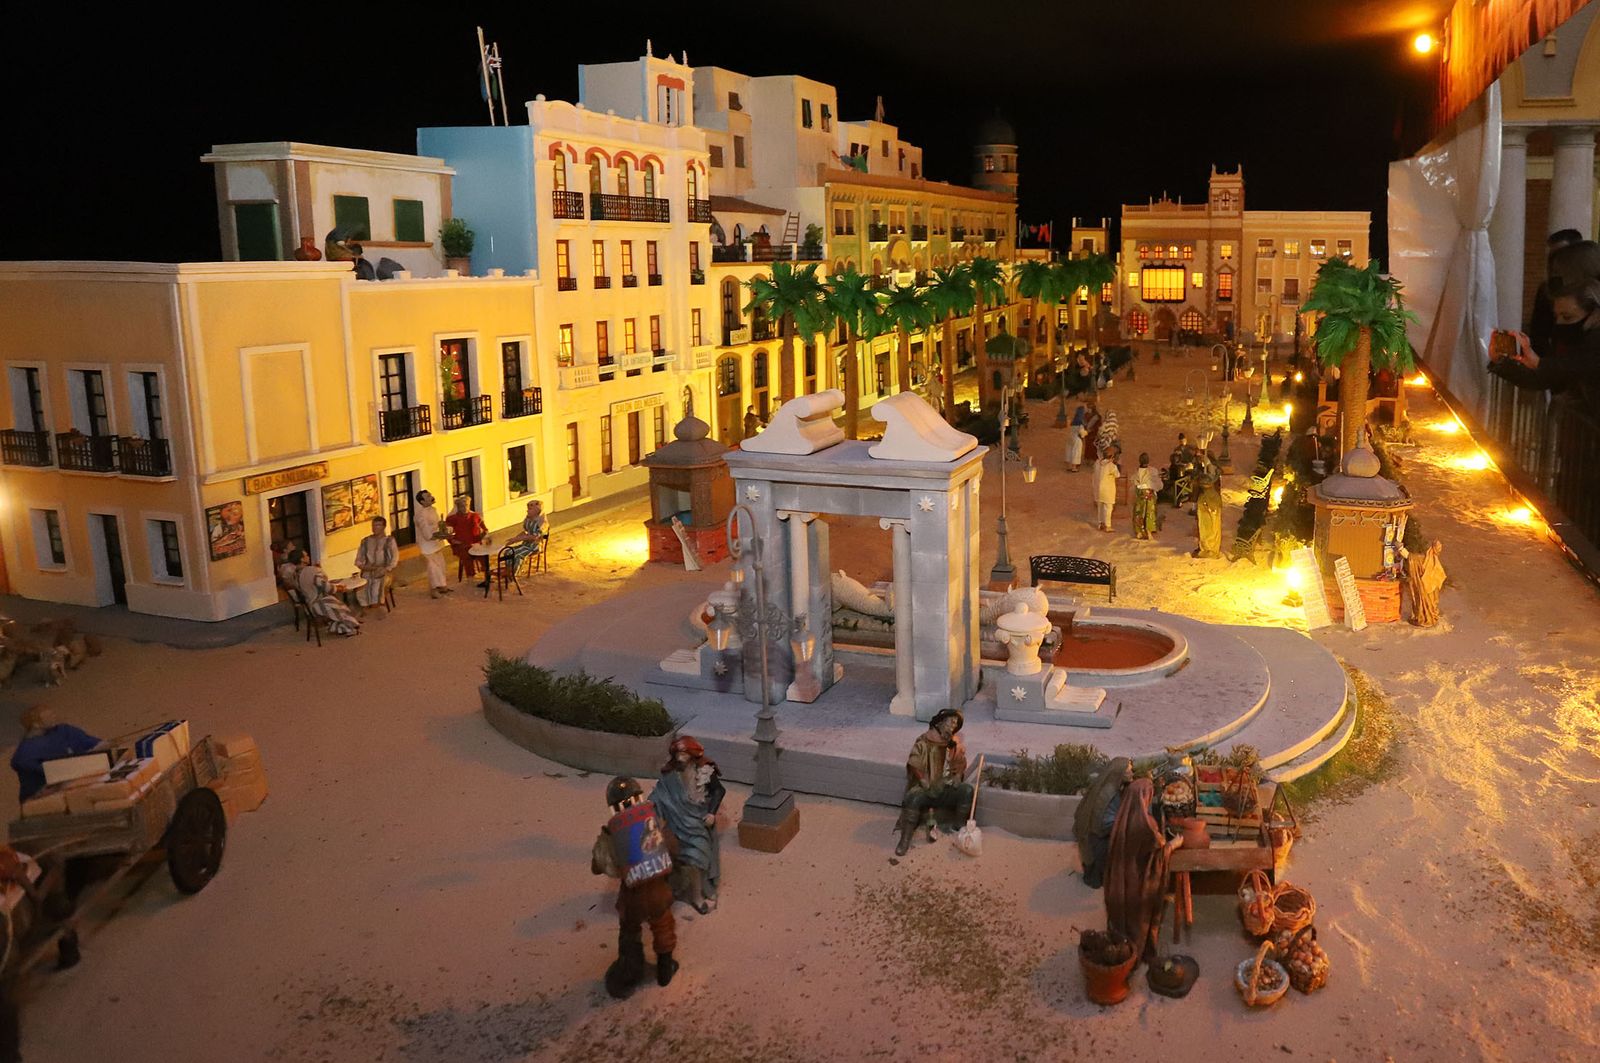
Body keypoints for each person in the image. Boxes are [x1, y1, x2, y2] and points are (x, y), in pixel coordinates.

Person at [591, 776, 680, 997]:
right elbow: (674, 847)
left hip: (632, 896)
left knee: (629, 931)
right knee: (663, 928)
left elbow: (599, 864)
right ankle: (664, 971)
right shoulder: (654, 824)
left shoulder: (611, 835)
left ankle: (630, 969)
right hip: (659, 892)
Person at [1491, 271, 1600, 414]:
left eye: (1567, 317)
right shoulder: (1576, 339)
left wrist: (1537, 362)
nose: (1559, 323)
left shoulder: (1593, 342)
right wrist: (1500, 362)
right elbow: (1544, 378)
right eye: (1556, 316)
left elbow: (1580, 364)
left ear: (1595, 314)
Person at [650, 736, 724, 914]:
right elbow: (659, 795)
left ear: (691, 754)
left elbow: (719, 790)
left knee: (698, 858)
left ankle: (698, 896)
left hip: (697, 823)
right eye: (677, 754)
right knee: (671, 856)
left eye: (683, 753)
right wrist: (648, 810)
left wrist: (712, 813)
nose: (679, 757)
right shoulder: (670, 776)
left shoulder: (705, 771)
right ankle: (679, 889)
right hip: (677, 824)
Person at [893, 709, 972, 856]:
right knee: (913, 797)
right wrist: (923, 779)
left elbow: (960, 763)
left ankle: (959, 826)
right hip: (927, 788)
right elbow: (914, 762)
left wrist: (958, 775)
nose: (953, 726)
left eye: (956, 724)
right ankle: (905, 839)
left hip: (946, 788)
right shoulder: (923, 742)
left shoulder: (954, 745)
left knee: (966, 791)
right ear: (940, 722)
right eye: (951, 722)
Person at [11, 706, 101, 803]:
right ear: (36, 724)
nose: (54, 717)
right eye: (48, 716)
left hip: (78, 782)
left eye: (52, 714)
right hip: (47, 795)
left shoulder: (64, 731)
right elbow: (27, 765)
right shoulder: (27, 750)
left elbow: (95, 744)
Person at [1072, 758, 1133, 889]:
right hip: (1098, 840)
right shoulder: (1108, 794)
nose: (1132, 773)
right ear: (1119, 773)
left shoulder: (1112, 786)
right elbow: (1102, 824)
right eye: (1128, 771)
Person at [1526, 229, 1584, 357]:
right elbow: (1538, 334)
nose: (1554, 263)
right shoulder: (1545, 290)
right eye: (1551, 257)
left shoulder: (1589, 290)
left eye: (1561, 256)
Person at [294, 552, 362, 636]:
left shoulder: (296, 574)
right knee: (339, 608)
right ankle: (350, 627)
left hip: (309, 605)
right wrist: (338, 588)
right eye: (306, 555)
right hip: (318, 603)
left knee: (335, 601)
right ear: (302, 559)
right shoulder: (311, 570)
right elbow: (326, 587)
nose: (308, 557)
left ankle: (339, 628)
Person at [353, 517, 398, 611]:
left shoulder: (389, 541)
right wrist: (363, 566)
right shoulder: (365, 541)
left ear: (384, 527)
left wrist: (386, 568)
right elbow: (359, 558)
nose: (375, 528)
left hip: (384, 570)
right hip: (367, 570)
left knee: (377, 587)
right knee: (360, 587)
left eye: (378, 525)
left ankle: (377, 606)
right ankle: (365, 608)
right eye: (373, 525)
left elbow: (394, 558)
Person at [412, 490, 452, 599]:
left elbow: (439, 524)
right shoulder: (420, 515)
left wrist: (445, 532)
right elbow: (425, 532)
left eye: (430, 495)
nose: (431, 497)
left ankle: (442, 586)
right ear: (422, 501)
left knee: (441, 565)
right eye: (428, 496)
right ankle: (433, 590)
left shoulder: (434, 510)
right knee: (433, 568)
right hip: (427, 546)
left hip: (437, 543)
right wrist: (436, 536)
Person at [444, 495, 488, 588]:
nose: (465, 508)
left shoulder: (475, 516)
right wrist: (452, 541)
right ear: (458, 507)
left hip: (475, 542)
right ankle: (470, 577)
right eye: (462, 506)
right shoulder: (452, 519)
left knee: (483, 554)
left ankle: (486, 576)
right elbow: (447, 533)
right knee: (466, 554)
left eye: (466, 505)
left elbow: (484, 528)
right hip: (461, 544)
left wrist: (484, 534)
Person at [501, 499, 547, 575]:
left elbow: (535, 537)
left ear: (536, 510)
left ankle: (514, 573)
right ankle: (509, 570)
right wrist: (514, 539)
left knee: (518, 555)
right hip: (526, 544)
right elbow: (525, 532)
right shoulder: (528, 519)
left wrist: (519, 539)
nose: (527, 511)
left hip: (534, 546)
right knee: (508, 552)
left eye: (530, 509)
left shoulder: (541, 522)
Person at [1408, 539, 1447, 627]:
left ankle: (1427, 618)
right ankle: (1431, 616)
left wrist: (1401, 549)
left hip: (1426, 588)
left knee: (1426, 602)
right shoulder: (1432, 560)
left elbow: (1411, 558)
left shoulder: (1428, 559)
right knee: (1430, 602)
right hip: (1430, 588)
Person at [1193, 466, 1223, 558]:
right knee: (1204, 533)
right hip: (1204, 519)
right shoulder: (1205, 494)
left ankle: (1210, 550)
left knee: (1210, 534)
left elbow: (1214, 508)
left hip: (1210, 519)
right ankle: (1205, 549)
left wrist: (1208, 508)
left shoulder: (1212, 495)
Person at [1091, 445, 1121, 533]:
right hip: (1108, 490)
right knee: (1108, 508)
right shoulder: (1111, 466)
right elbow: (1117, 475)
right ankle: (1108, 526)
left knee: (1100, 507)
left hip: (1098, 489)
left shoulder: (1097, 463)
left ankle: (1100, 523)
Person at [1132, 452, 1160, 539]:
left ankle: (1139, 531)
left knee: (1139, 512)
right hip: (1149, 494)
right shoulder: (1152, 471)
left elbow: (1134, 482)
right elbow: (1157, 484)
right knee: (1149, 513)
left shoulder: (1137, 472)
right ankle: (1149, 531)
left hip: (1140, 494)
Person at [1064, 403, 1086, 471]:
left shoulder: (1073, 422)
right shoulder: (1080, 423)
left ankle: (1068, 466)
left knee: (1069, 451)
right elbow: (1082, 433)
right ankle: (1074, 467)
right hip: (1077, 439)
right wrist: (1086, 433)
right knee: (1076, 452)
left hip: (1070, 437)